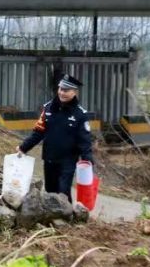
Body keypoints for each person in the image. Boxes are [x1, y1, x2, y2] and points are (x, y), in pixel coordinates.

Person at [16, 73, 93, 203]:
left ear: (74, 92)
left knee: (63, 191)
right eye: (61, 89)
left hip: (68, 161)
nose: (62, 93)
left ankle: (67, 218)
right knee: (50, 191)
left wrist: (88, 161)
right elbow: (38, 132)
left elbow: (84, 142)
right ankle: (54, 220)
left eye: (67, 90)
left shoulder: (80, 115)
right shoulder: (48, 109)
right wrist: (24, 147)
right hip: (49, 158)